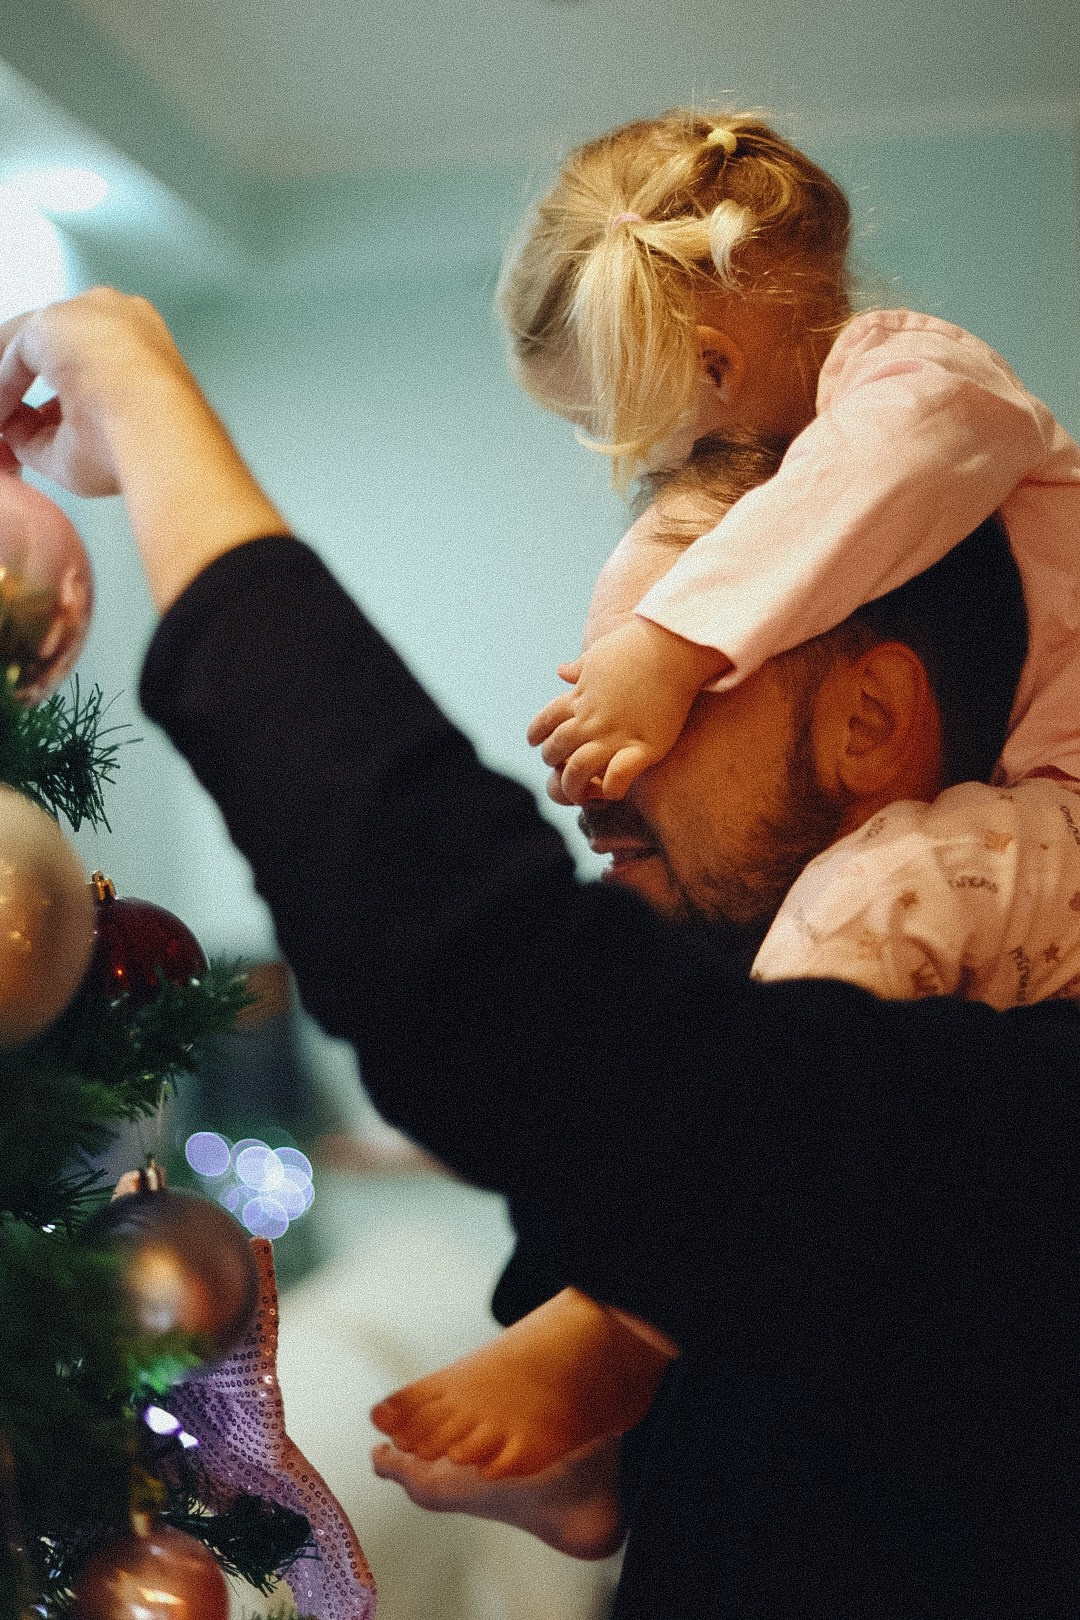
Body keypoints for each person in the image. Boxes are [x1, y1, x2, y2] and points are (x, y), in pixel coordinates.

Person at [3, 289, 1080, 1619]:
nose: (581, 773)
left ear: (867, 723)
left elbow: (485, 981)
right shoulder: (730, 1104)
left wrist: (140, 392)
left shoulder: (1021, 1123)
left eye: (673, 685)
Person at [494, 109, 1080, 804]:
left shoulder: (926, 378)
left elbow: (873, 471)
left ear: (712, 368)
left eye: (618, 428)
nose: (652, 474)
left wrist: (668, 649)